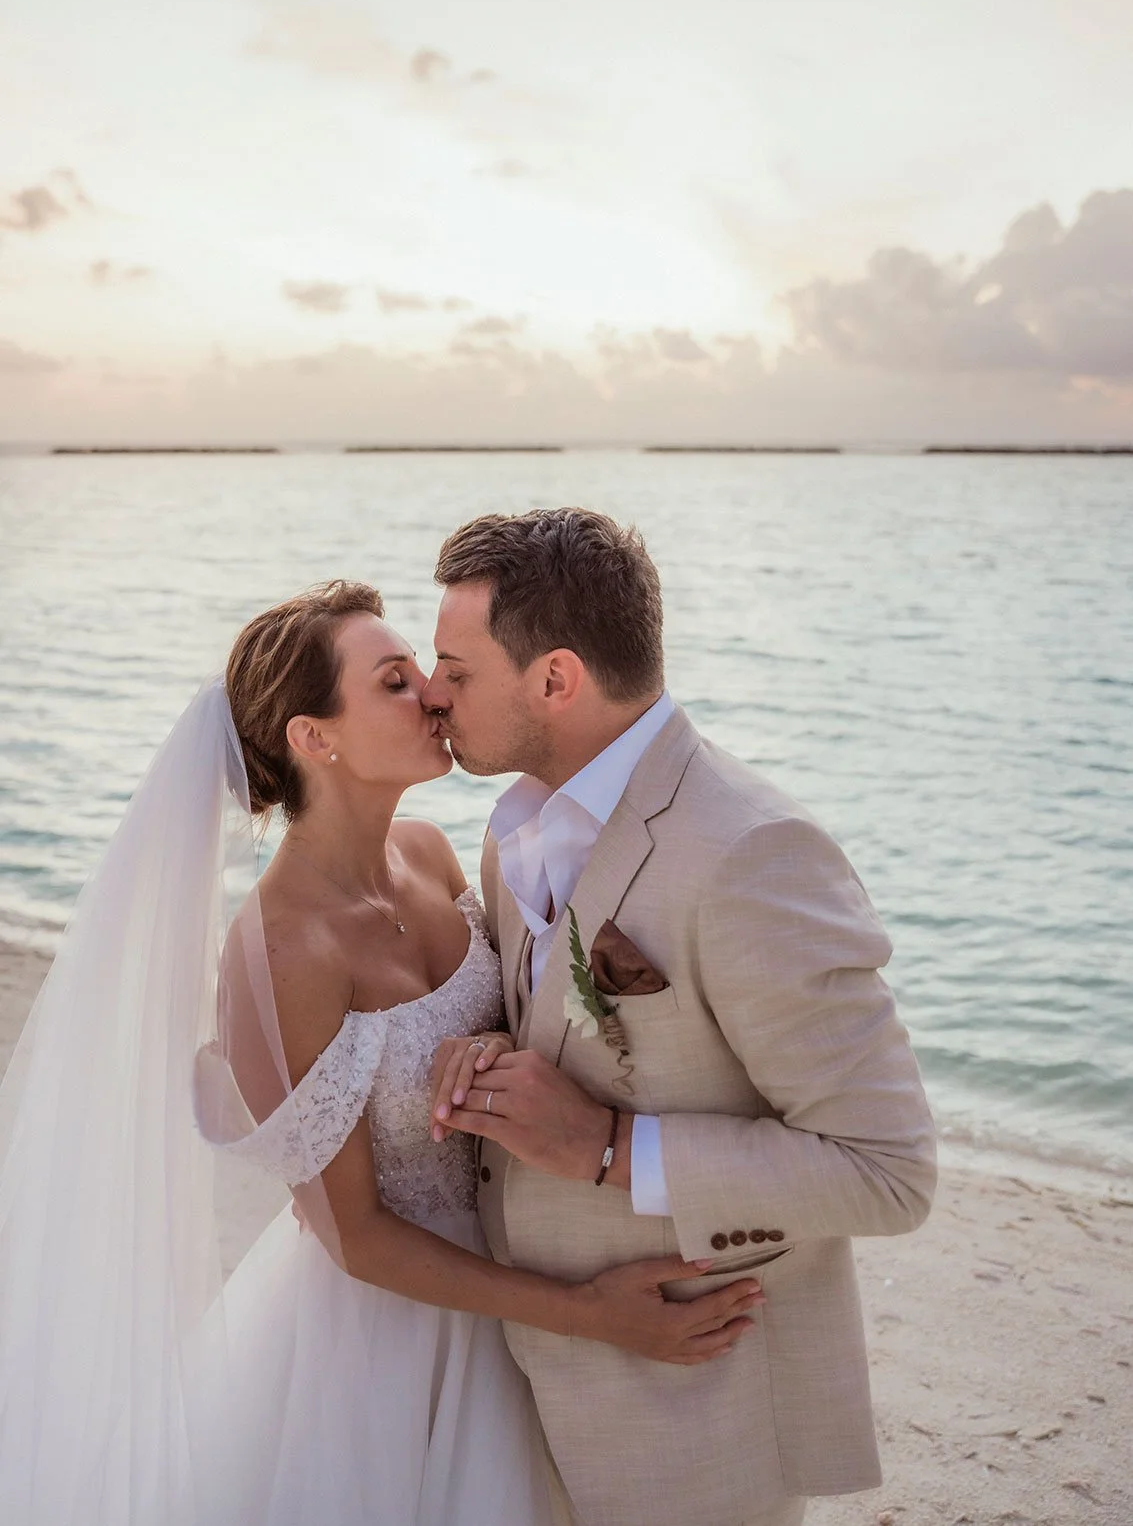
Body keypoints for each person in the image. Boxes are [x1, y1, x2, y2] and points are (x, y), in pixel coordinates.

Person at [0, 580, 759, 1526]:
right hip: (389, 1339)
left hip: (522, 1260)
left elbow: (511, 1018)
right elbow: (349, 1233)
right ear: (314, 738)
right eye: (397, 682)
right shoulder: (280, 952)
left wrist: (484, 1051)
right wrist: (587, 1311)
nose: (436, 696)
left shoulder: (432, 851)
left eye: (426, 673)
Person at [423, 509, 938, 1526]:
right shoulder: (514, 819)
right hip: (515, 1383)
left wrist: (612, 1148)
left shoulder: (752, 853)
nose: (432, 690)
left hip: (695, 1413)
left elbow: (889, 1170)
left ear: (555, 679)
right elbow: (548, 1030)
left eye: (454, 665)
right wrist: (487, 1047)